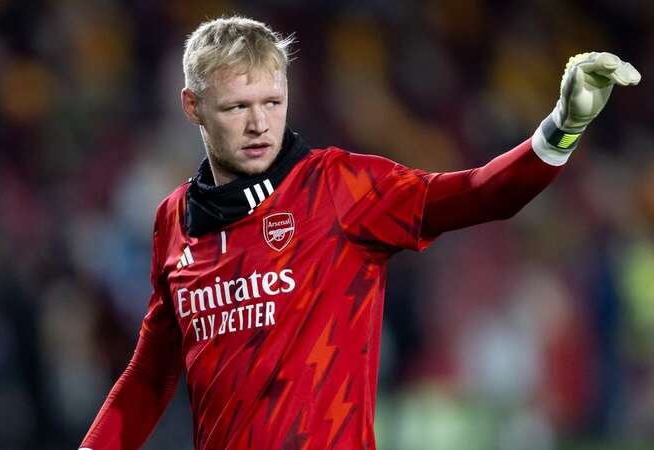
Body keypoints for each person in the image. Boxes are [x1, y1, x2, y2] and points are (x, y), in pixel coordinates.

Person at [79, 16, 640, 450]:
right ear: (193, 107)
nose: (259, 124)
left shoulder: (340, 188)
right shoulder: (173, 221)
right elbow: (150, 374)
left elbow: (478, 194)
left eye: (272, 103)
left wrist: (561, 129)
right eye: (236, 107)